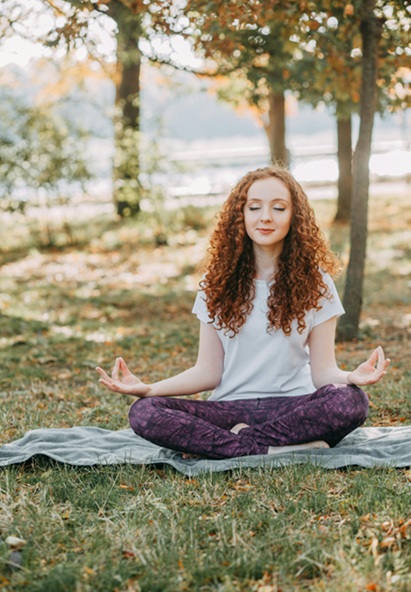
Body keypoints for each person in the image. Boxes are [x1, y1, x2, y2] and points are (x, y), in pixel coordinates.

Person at [96, 165, 390, 460]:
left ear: (294, 217)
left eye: (278, 208)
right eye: (254, 207)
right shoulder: (216, 285)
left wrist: (351, 376)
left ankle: (239, 444)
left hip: (294, 408)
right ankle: (277, 448)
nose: (265, 217)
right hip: (228, 409)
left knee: (351, 401)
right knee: (145, 412)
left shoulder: (317, 283)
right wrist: (148, 389)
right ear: (241, 215)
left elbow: (324, 372)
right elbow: (207, 372)